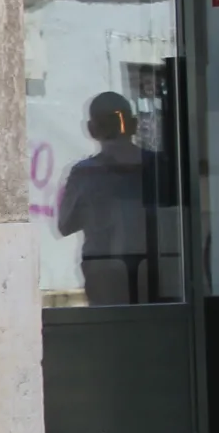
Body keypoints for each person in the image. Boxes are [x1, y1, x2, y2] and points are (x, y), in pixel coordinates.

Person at [57, 90, 169, 305]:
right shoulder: (160, 167)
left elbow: (65, 224)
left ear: (91, 129)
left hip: (104, 271)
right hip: (151, 267)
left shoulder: (84, 174)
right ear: (134, 124)